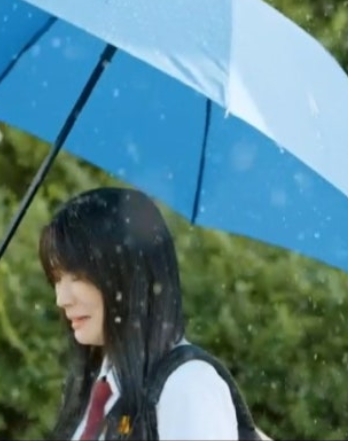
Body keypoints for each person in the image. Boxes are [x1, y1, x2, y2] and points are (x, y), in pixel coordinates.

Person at [37, 186, 264, 440]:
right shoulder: (101, 387)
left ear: (129, 275)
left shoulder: (187, 386)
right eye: (57, 278)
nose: (61, 299)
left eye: (77, 276)